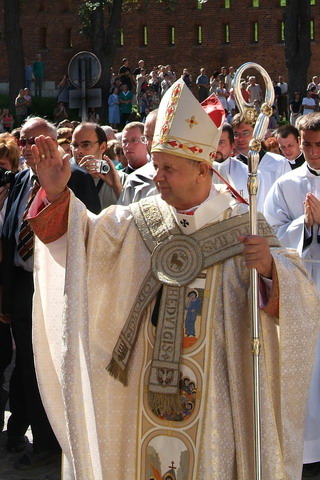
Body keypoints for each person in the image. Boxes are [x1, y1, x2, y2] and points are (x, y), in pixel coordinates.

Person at [26, 79, 320, 479]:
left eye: (168, 168)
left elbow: (300, 293)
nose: (157, 176)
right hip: (144, 392)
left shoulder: (242, 226)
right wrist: (58, 195)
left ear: (203, 168)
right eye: (157, 165)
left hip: (218, 396)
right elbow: (85, 244)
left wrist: (270, 269)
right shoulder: (139, 221)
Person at [264, 113, 320, 478]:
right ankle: (310, 449)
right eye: (308, 144)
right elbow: (271, 233)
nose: (313, 152)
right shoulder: (287, 184)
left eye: (319, 144)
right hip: (304, 284)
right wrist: (305, 224)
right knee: (310, 367)